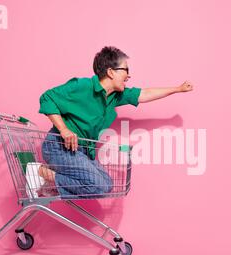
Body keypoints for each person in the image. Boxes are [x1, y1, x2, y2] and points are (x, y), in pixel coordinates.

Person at [27, 46, 193, 198]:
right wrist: (64, 129)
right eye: (125, 70)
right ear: (111, 72)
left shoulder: (115, 96)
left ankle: (49, 181)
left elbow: (145, 93)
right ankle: (40, 172)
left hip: (80, 151)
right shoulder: (83, 86)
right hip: (59, 147)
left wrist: (177, 89)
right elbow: (47, 98)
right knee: (97, 186)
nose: (129, 75)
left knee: (107, 184)